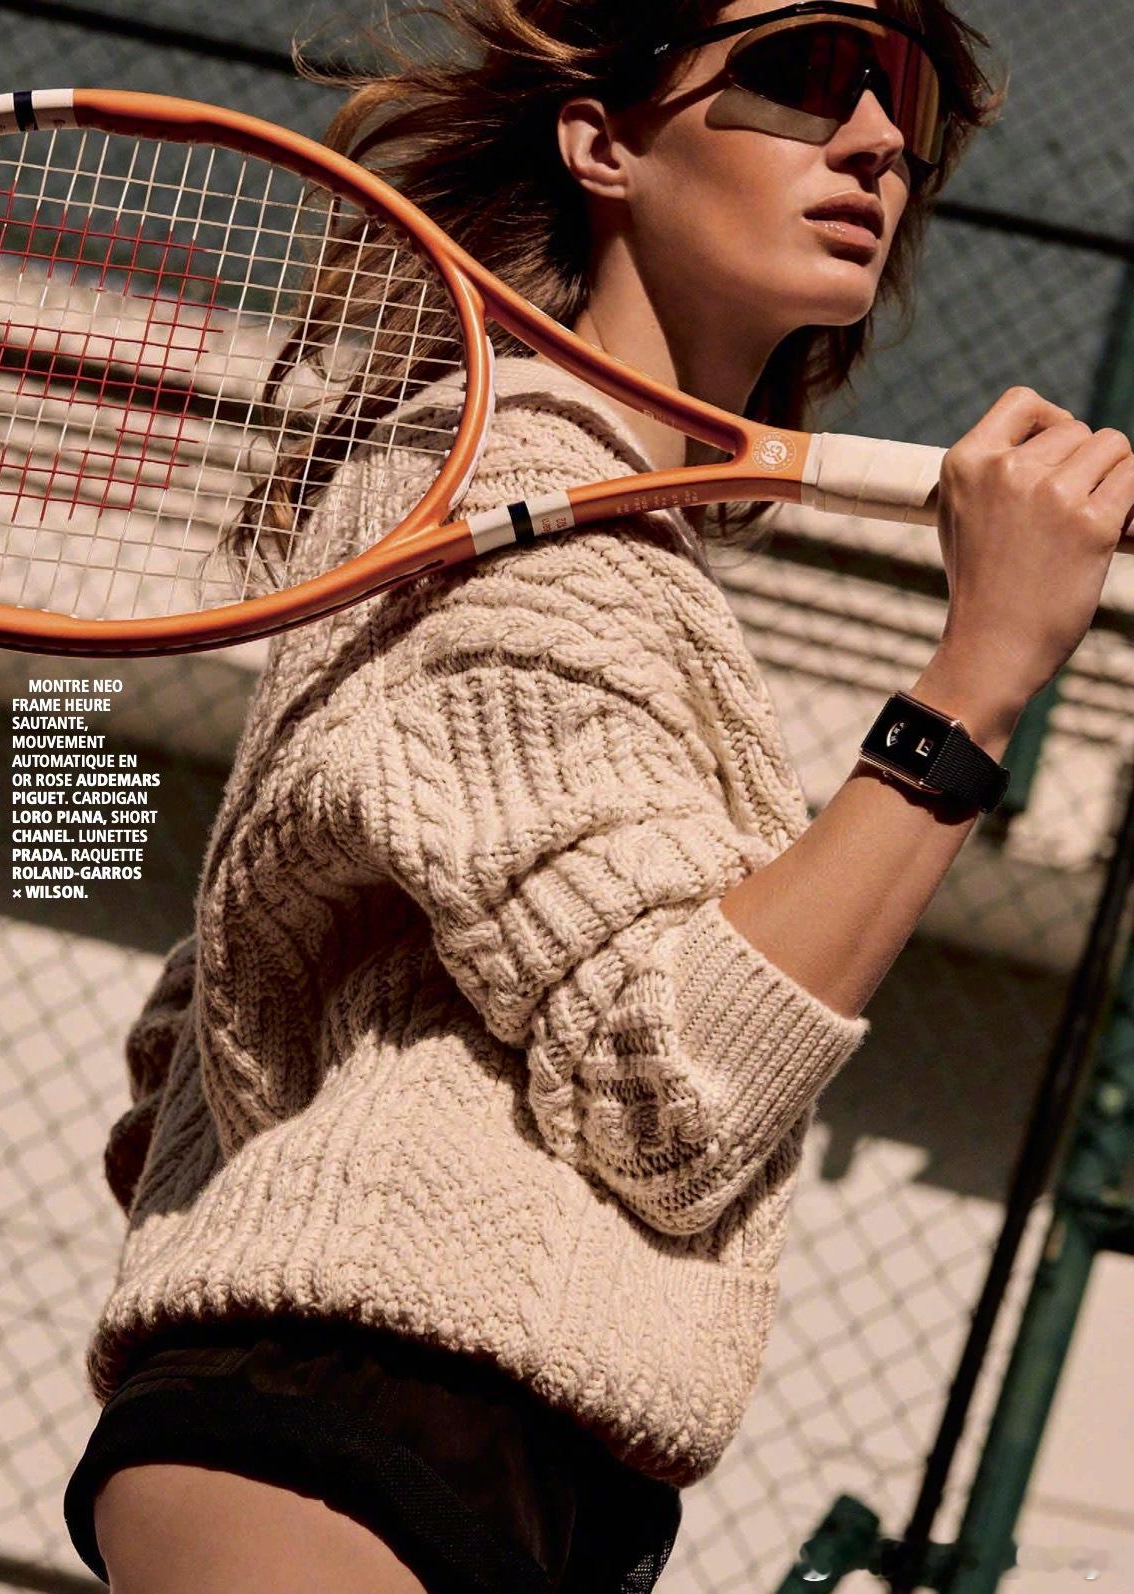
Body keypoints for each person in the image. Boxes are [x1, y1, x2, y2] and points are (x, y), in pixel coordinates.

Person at [63, 1, 1134, 1589]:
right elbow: (671, 1088)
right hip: (356, 1416)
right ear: (602, 143)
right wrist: (981, 671)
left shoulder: (597, 540)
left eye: (901, 102)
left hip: (492, 1457)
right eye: (804, 74)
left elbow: (194, 1039)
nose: (875, 142)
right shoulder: (500, 493)